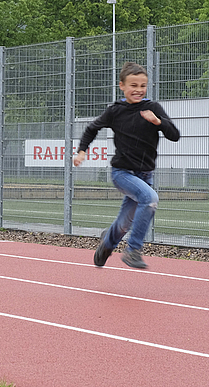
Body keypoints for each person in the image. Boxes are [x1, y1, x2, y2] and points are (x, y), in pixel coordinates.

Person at [73, 62, 180, 269]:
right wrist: (82, 151)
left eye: (142, 85)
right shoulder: (116, 111)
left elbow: (174, 135)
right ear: (122, 86)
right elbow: (91, 129)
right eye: (133, 85)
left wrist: (158, 122)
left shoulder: (153, 108)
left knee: (123, 224)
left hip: (145, 175)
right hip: (122, 172)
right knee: (149, 199)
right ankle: (133, 250)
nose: (138, 90)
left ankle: (107, 242)